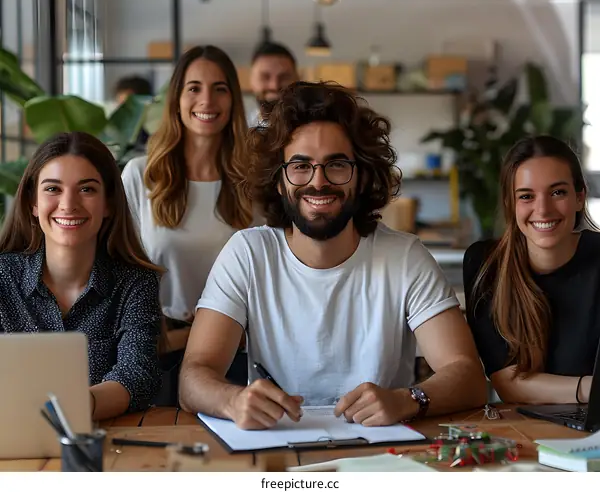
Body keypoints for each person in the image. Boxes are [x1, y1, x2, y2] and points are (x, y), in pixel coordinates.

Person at [179, 81, 487, 429]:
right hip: (275, 454)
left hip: (381, 457)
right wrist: (232, 400)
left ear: (361, 175)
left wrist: (407, 399)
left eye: (337, 165)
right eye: (300, 166)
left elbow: (468, 375)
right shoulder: (248, 254)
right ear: (279, 181)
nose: (319, 181)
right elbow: (192, 379)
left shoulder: (405, 257)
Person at [0, 132, 163, 421]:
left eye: (87, 190)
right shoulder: (3, 277)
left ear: (108, 204)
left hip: (106, 447)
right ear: (32, 204)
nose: (69, 204)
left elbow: (138, 375)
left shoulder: (135, 283)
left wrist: (77, 405)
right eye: (53, 189)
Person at [121, 45, 254, 396]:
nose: (206, 100)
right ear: (176, 99)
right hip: (159, 346)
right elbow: (121, 268)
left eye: (219, 88)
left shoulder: (252, 183)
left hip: (236, 350)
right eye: (194, 88)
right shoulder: (141, 175)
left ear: (233, 100)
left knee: (232, 447)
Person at [464, 135, 600, 405]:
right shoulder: (486, 264)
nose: (543, 209)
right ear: (510, 204)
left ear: (579, 197)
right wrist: (594, 390)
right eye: (526, 196)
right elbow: (509, 384)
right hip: (523, 430)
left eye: (558, 192)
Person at [247, 41, 298, 127]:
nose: (274, 86)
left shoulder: (314, 130)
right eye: (265, 77)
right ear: (251, 81)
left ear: (297, 80)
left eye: (284, 77)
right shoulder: (239, 130)